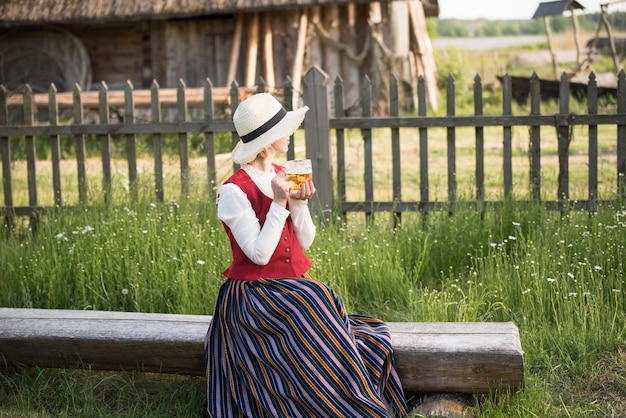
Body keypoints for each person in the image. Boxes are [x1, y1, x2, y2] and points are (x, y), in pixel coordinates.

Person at [204, 92, 408, 417]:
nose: (290, 133)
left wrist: (299, 203)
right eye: (284, 128)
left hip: (291, 288)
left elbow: (307, 240)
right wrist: (278, 202)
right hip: (254, 297)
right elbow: (259, 255)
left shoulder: (283, 171)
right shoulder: (232, 191)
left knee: (327, 302)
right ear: (269, 138)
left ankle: (346, 392)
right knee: (313, 301)